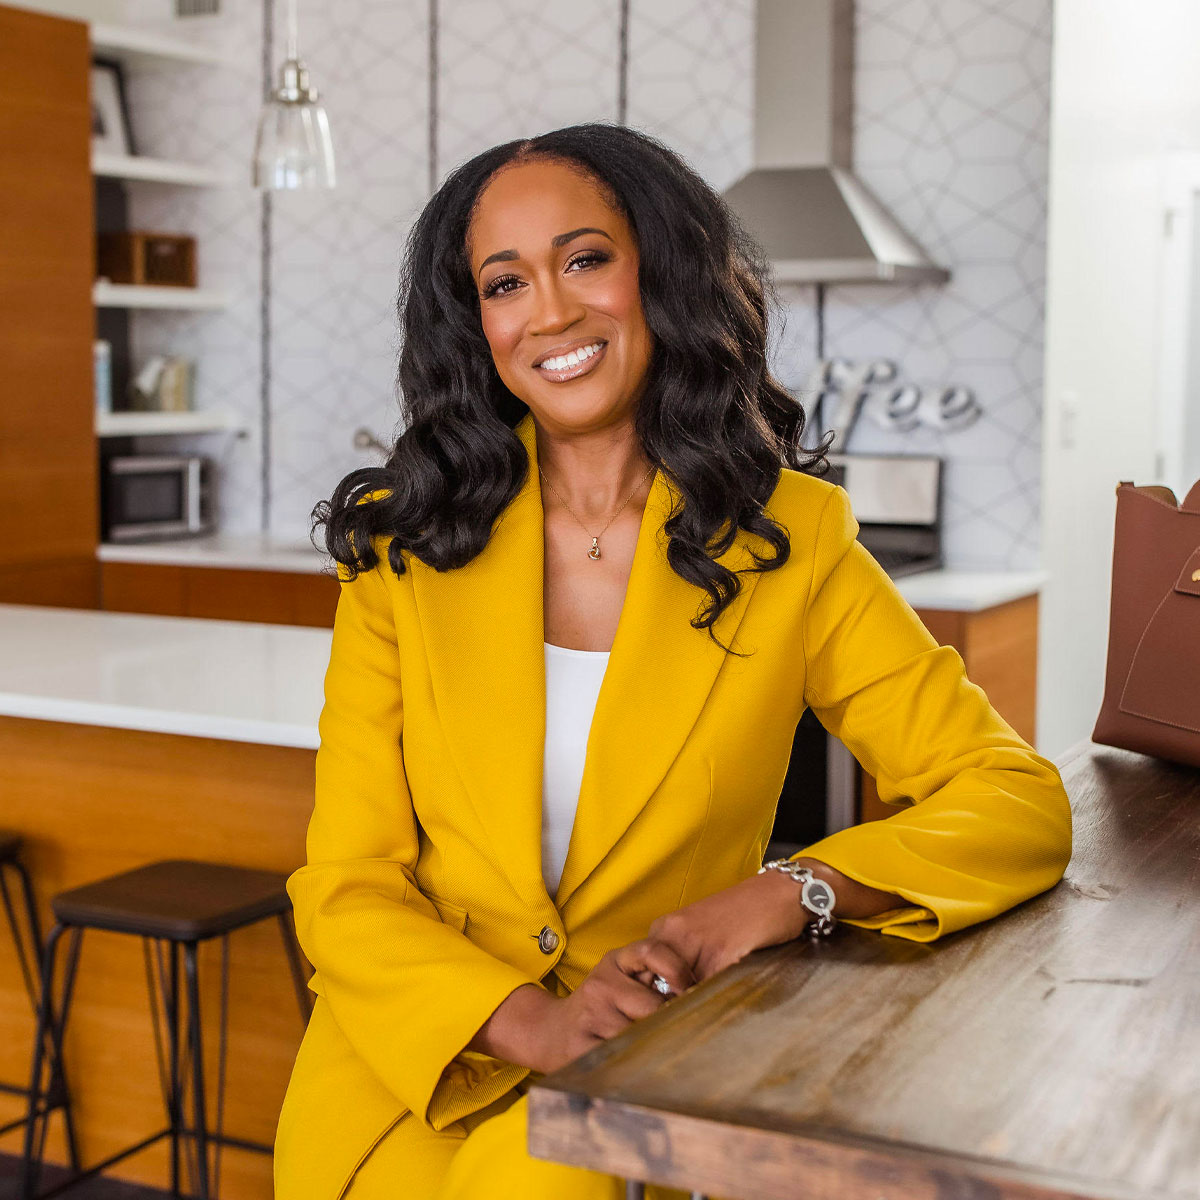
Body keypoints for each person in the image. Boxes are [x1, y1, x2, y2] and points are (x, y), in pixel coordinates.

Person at [273, 123, 1072, 1200]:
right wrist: (533, 1023)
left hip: (635, 1082)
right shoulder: (404, 547)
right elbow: (346, 884)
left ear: (665, 271)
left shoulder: (791, 540)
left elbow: (1014, 798)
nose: (550, 311)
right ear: (477, 323)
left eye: (586, 259)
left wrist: (797, 889)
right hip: (410, 1069)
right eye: (505, 282)